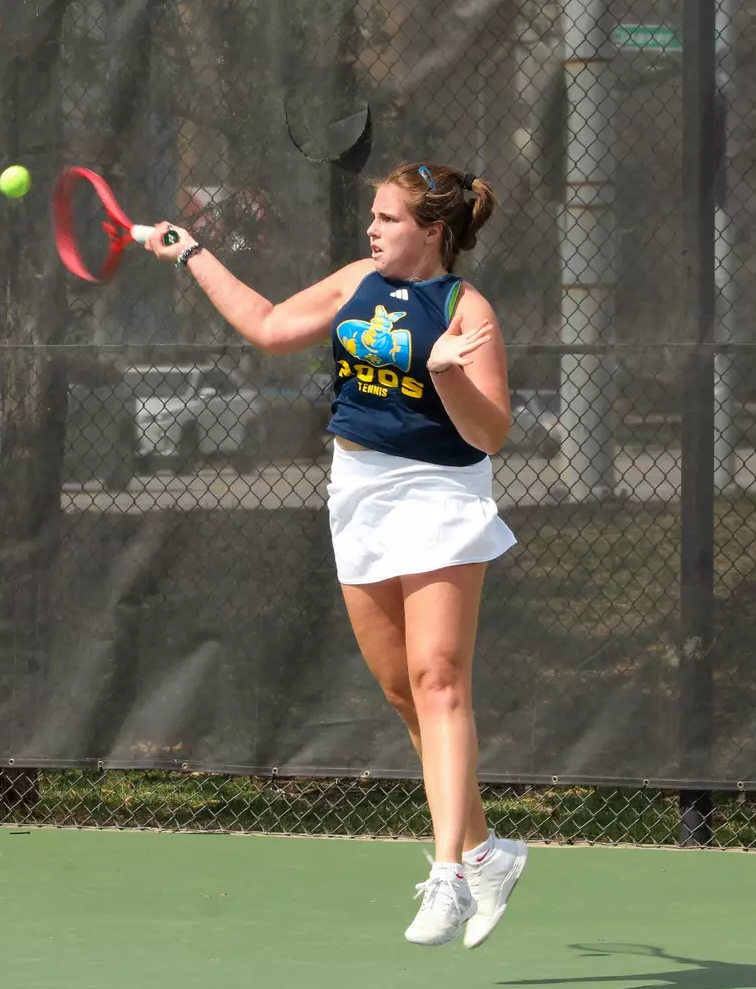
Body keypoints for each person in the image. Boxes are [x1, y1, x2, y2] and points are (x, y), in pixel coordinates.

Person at [144, 162, 526, 948]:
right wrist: (191, 252)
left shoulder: (466, 308)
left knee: (439, 678)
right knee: (403, 692)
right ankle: (489, 852)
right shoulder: (357, 281)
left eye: (388, 219)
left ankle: (450, 875)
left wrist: (445, 376)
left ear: (433, 230)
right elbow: (268, 325)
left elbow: (490, 433)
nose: (372, 229)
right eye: (373, 217)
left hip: (441, 493)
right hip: (359, 491)